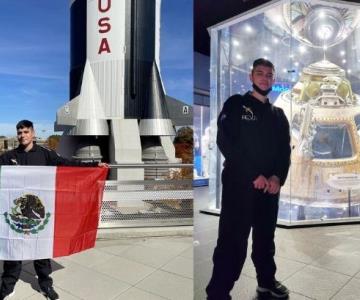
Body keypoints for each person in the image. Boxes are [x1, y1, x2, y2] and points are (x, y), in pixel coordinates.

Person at [206, 58, 291, 299]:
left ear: (274, 79)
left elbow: (284, 151)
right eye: (260, 73)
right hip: (239, 187)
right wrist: (254, 175)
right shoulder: (236, 105)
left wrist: (277, 177)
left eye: (269, 75)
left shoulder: (279, 115)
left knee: (265, 239)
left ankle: (267, 281)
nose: (265, 78)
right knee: (232, 242)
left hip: (269, 190)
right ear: (251, 76)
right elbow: (226, 142)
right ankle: (218, 293)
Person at [0, 120, 108, 300]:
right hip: (16, 215)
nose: (22, 135)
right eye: (19, 132)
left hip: (40, 215)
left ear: (33, 133)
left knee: (41, 252)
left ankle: (45, 285)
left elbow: (67, 165)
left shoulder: (46, 154)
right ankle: (7, 288)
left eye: (26, 132)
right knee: (13, 252)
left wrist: (93, 165)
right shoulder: (8, 156)